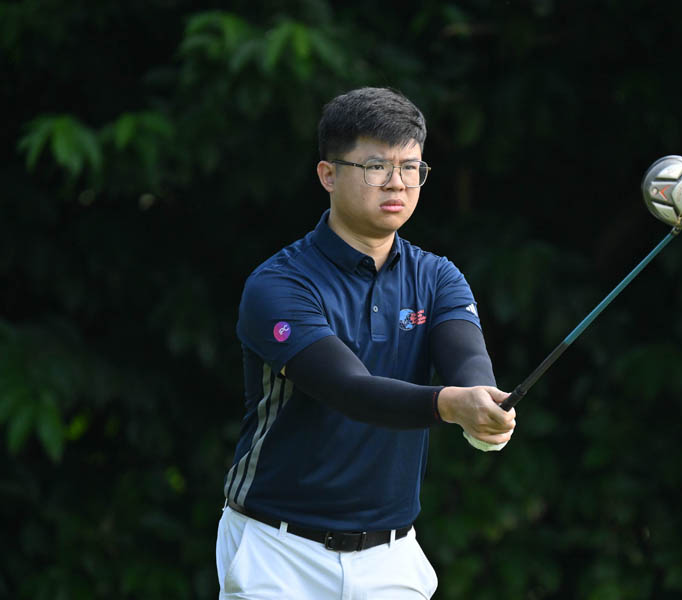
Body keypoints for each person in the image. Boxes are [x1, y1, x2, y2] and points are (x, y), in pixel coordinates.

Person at [215, 86, 517, 599]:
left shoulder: (438, 277)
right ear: (328, 175)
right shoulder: (279, 285)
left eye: (411, 167)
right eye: (376, 166)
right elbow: (348, 389)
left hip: (391, 558)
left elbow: (467, 359)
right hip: (276, 552)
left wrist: (483, 405)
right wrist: (452, 405)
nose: (397, 183)